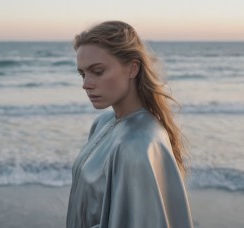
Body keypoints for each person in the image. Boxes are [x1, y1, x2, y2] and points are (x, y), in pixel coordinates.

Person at [66, 20, 193, 228]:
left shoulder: (138, 142)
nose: (85, 84)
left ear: (132, 68)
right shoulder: (102, 124)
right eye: (82, 73)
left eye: (97, 71)